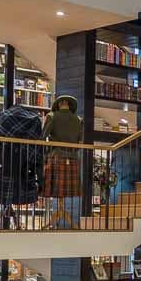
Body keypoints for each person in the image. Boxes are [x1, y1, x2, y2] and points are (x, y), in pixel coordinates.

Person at [42, 95, 83, 229]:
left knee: (56, 189)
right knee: (67, 190)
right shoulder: (78, 119)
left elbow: (43, 137)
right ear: (70, 105)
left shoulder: (52, 116)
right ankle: (62, 215)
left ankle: (57, 216)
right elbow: (80, 140)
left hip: (56, 157)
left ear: (58, 104)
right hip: (73, 159)